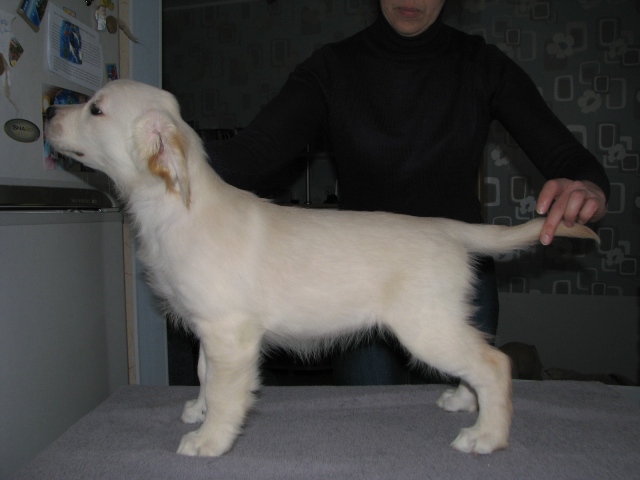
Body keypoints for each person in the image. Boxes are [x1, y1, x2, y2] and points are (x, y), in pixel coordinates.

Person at [205, 0, 609, 384]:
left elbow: (568, 157)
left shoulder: (482, 65)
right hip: (358, 278)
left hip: (454, 267)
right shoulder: (332, 68)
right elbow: (252, 153)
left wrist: (588, 185)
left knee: (469, 404)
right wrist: (175, 153)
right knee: (372, 419)